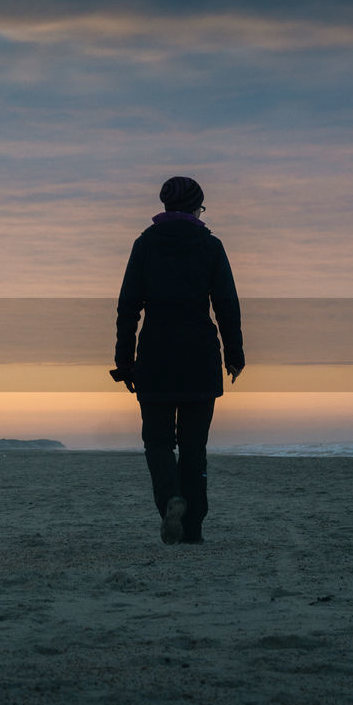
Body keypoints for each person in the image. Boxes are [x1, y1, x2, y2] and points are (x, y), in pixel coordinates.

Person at [113, 176, 244, 545]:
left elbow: (128, 307)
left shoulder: (145, 245)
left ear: (166, 207)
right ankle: (194, 529)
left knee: (157, 443)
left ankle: (170, 500)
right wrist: (235, 355)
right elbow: (227, 305)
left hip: (155, 358)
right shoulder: (210, 246)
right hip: (199, 358)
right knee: (193, 448)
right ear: (195, 208)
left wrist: (124, 361)